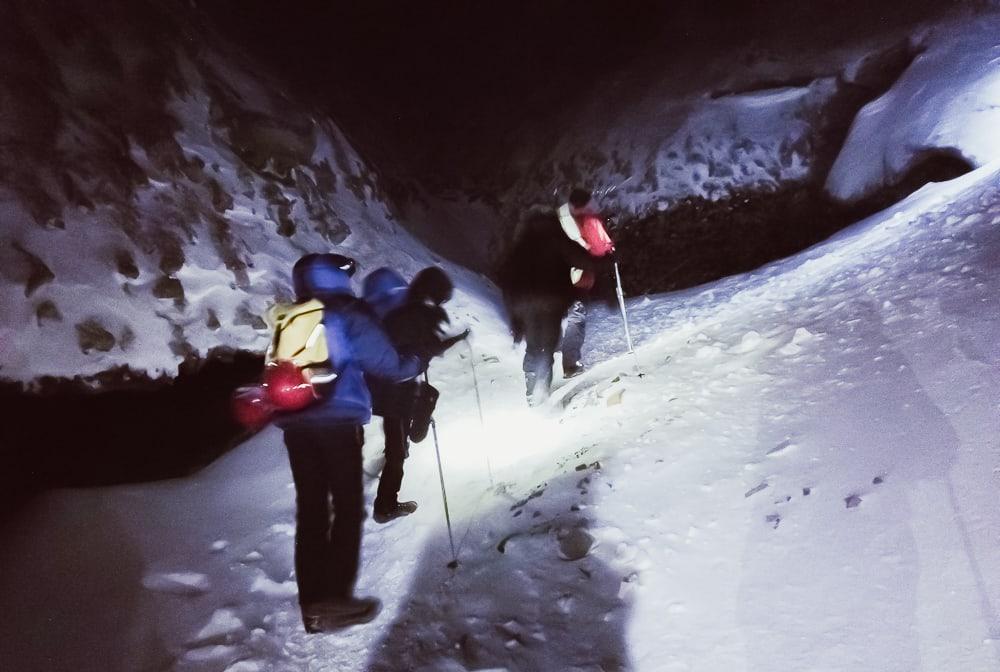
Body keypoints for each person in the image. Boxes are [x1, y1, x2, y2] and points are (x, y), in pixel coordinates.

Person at [274, 253, 424, 634]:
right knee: (346, 508)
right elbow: (388, 364)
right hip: (337, 423)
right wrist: (417, 362)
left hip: (297, 427)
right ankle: (337, 598)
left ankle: (313, 607)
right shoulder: (347, 312)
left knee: (310, 513)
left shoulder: (292, 316)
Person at [365, 266, 468, 523]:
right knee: (396, 450)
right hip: (396, 389)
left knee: (399, 433)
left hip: (379, 385)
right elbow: (426, 348)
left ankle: (407, 439)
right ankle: (385, 506)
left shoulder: (390, 309)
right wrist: (455, 340)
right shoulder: (417, 313)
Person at [497, 188, 614, 405]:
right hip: (551, 300)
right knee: (547, 345)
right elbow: (582, 260)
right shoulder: (556, 237)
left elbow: (507, 279)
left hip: (525, 302)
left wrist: (514, 316)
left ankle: (533, 391)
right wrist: (608, 262)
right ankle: (543, 388)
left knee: (533, 346)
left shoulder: (520, 246)